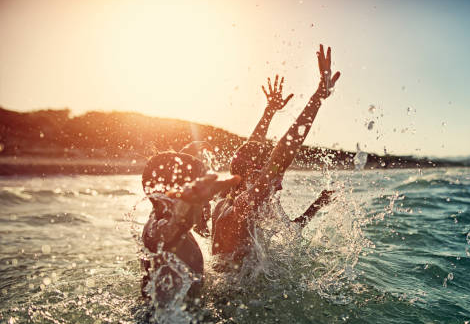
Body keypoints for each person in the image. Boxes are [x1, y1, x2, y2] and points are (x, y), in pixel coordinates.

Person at [211, 44, 340, 263]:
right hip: (234, 296)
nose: (279, 185)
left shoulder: (229, 198)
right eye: (275, 177)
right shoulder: (242, 208)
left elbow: (291, 231)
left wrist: (316, 206)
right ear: (254, 174)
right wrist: (318, 97)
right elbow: (280, 156)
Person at [140, 151, 239, 303]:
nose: (208, 202)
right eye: (202, 198)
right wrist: (185, 209)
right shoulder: (156, 229)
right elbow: (167, 235)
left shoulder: (160, 219)